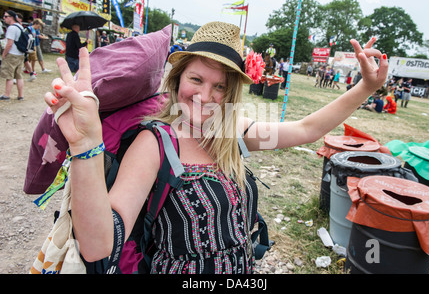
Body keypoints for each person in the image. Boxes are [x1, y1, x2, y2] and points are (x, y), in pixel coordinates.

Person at [44, 22, 388, 274]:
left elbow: (306, 130)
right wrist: (85, 145)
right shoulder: (156, 142)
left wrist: (365, 88)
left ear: (230, 93)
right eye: (196, 79)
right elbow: (100, 245)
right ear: (178, 78)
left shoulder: (231, 133)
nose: (205, 97)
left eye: (219, 86)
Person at [0, 10, 25, 100]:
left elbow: (9, 43)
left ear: (11, 17)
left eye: (6, 16)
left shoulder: (11, 28)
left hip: (12, 54)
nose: (4, 18)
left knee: (9, 75)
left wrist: (4, 53)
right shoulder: (20, 26)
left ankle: (6, 95)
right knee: (19, 75)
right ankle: (20, 95)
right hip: (20, 54)